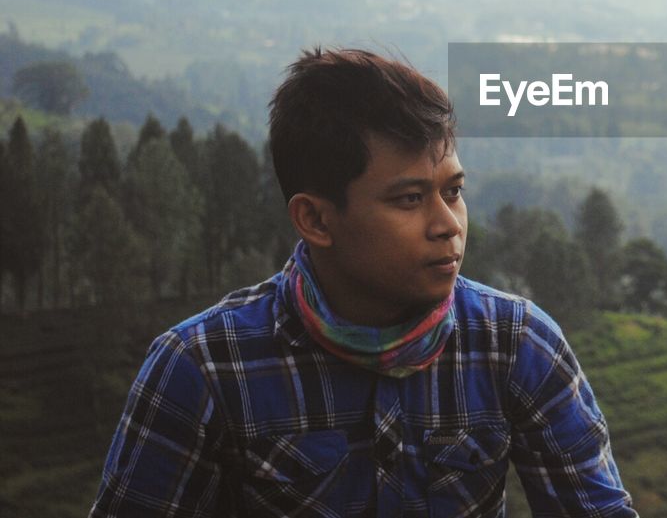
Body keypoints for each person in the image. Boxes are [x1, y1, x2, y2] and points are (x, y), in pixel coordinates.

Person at [90, 47, 637, 517]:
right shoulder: (203, 368)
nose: (448, 225)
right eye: (409, 198)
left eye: (453, 191)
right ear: (317, 220)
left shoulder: (517, 345)